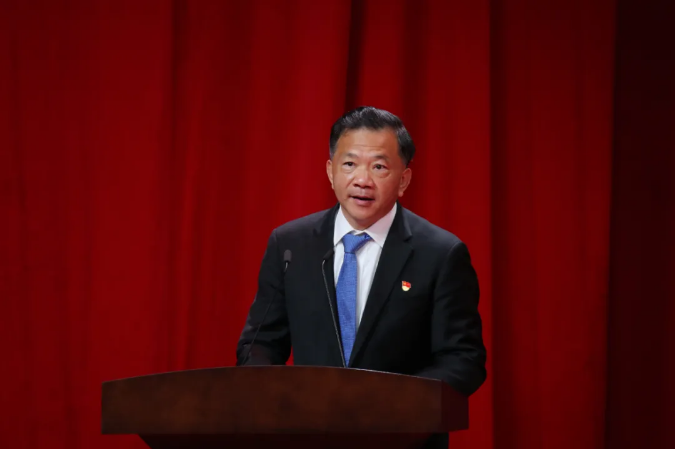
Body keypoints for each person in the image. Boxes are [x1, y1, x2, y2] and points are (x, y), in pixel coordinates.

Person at [236, 106, 486, 447]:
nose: (362, 180)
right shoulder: (291, 245)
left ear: (404, 180)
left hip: (401, 438)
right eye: (349, 164)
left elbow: (463, 360)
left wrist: (394, 406)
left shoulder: (440, 253)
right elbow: (260, 343)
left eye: (379, 167)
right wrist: (276, 400)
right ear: (330, 171)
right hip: (308, 434)